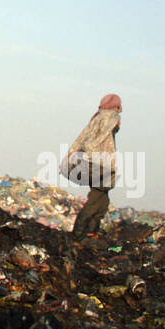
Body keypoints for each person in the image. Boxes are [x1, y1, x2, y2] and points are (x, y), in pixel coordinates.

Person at [62, 93, 123, 241]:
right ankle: (77, 234)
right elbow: (93, 139)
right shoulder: (109, 117)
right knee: (95, 201)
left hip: (100, 163)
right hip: (100, 164)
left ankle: (91, 232)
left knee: (102, 203)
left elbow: (84, 136)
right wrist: (88, 150)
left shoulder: (99, 118)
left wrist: (74, 151)